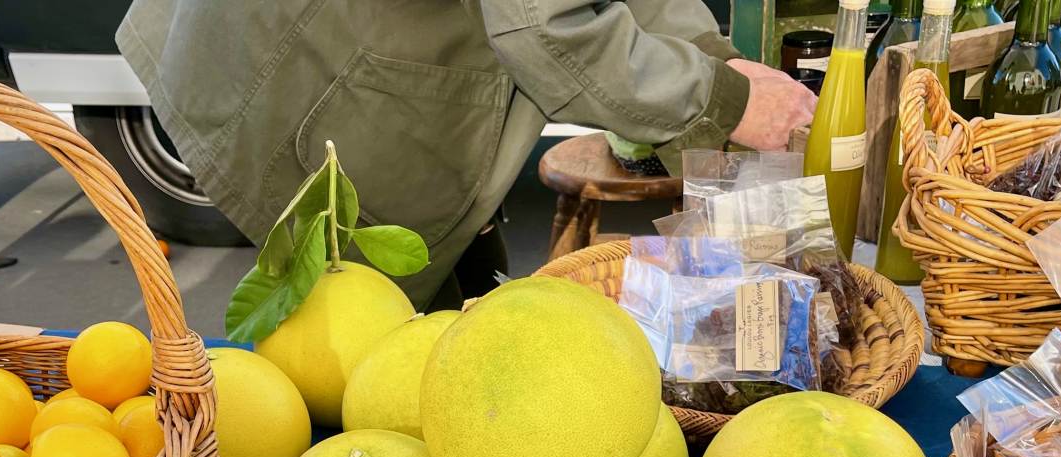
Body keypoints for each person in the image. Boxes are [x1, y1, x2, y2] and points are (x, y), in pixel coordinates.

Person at [117, 0, 816, 306]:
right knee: (347, 377)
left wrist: (709, 62)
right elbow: (548, 23)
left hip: (371, 62)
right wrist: (719, 99)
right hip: (304, 67)